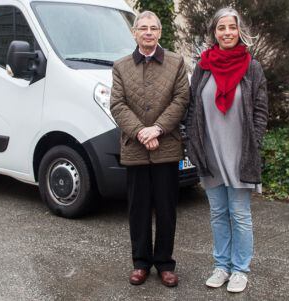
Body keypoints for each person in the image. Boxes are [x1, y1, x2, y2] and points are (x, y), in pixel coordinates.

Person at [183, 7, 268, 293]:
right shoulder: (203, 67)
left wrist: (253, 146)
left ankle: (240, 269)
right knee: (218, 213)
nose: (227, 32)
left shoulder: (252, 67)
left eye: (232, 27)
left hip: (239, 153)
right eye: (222, 28)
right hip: (210, 152)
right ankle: (221, 266)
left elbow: (260, 111)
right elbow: (193, 107)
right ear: (214, 33)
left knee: (240, 214)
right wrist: (193, 144)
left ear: (239, 30)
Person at [109, 11, 189, 287]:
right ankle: (141, 263)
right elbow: (117, 104)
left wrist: (157, 129)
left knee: (167, 209)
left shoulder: (176, 63)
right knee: (138, 209)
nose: (148, 32)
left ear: (160, 32)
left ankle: (165, 264)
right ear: (134, 33)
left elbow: (181, 99)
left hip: (166, 147)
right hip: (135, 148)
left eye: (153, 28)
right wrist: (141, 132)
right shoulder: (120, 67)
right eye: (142, 28)